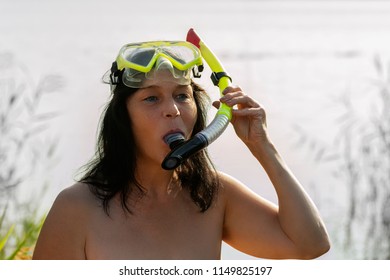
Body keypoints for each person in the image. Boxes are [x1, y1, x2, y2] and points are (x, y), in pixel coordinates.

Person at [33, 40, 330, 260]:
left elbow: (310, 244)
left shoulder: (214, 194)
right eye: (151, 99)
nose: (172, 110)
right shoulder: (77, 208)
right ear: (123, 118)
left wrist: (262, 147)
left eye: (181, 96)